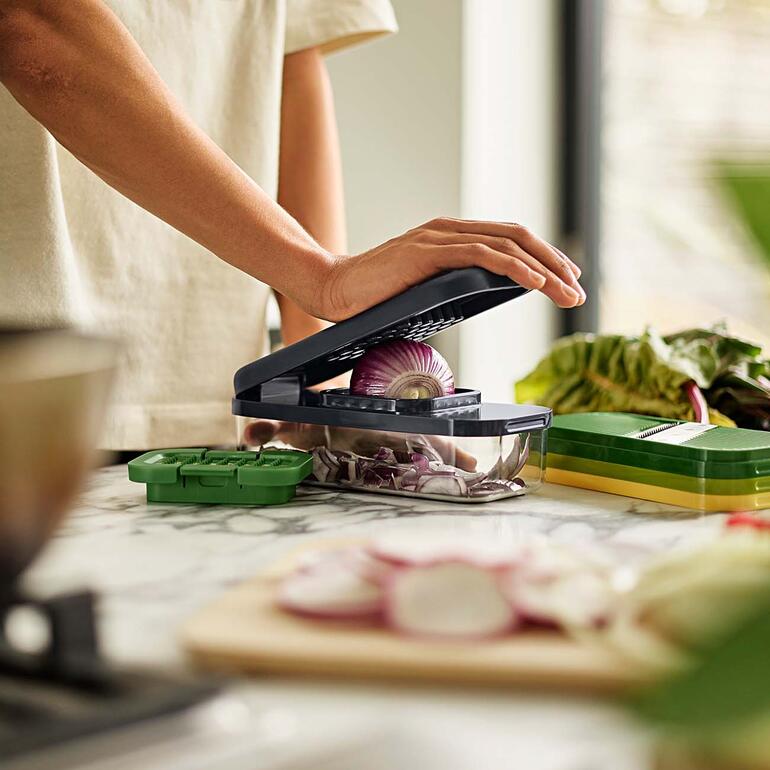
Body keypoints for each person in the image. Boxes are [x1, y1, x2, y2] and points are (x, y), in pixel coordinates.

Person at [0, 0, 585, 453]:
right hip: (27, 373)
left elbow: (287, 62)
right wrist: (322, 276)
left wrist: (319, 388)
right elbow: (29, 22)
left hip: (205, 388)